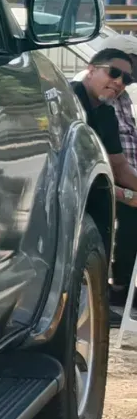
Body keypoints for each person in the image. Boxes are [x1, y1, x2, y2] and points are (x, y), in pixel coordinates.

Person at [73, 47, 137, 309]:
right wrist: (124, 194)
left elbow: (120, 167)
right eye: (114, 73)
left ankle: (115, 291)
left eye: (127, 80)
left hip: (97, 190)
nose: (119, 82)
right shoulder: (68, 98)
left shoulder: (107, 112)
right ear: (91, 69)